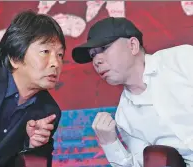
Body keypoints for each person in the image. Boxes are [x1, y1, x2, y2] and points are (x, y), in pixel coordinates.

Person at [72, 17, 193, 166]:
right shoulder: (124, 117)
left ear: (133, 45)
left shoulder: (182, 59)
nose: (97, 61)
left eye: (103, 48)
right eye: (93, 55)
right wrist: (109, 143)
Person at [0, 10, 66, 167]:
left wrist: (33, 148)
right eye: (45, 52)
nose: (56, 63)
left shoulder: (48, 112)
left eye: (60, 55)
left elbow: (35, 164)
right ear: (15, 58)